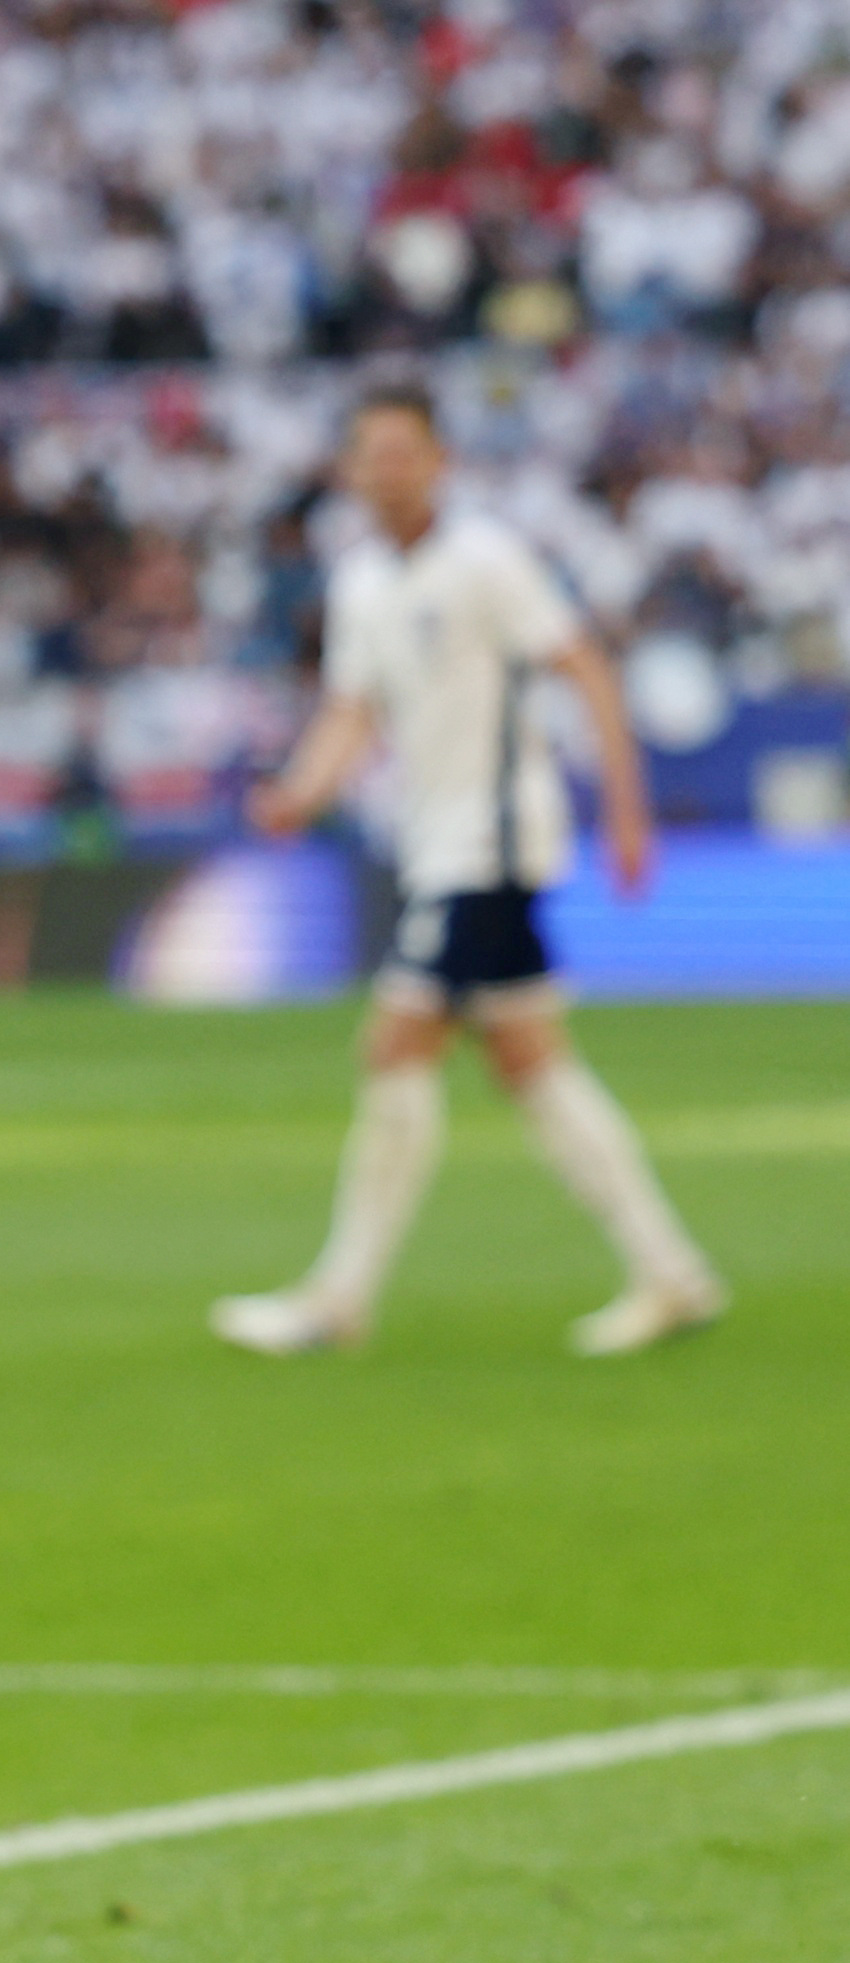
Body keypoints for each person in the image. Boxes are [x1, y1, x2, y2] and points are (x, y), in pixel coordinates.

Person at [213, 387, 724, 1359]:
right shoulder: (363, 581)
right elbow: (353, 713)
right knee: (532, 1064)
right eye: (373, 453)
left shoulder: (486, 561)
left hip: (490, 844)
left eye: (407, 451)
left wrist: (626, 812)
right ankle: (671, 1274)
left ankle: (340, 1297)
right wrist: (299, 795)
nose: (390, 469)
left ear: (439, 460)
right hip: (435, 840)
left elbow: (587, 670)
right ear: (353, 470)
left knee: (396, 1045)